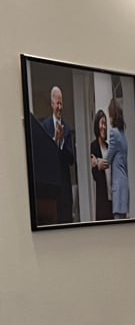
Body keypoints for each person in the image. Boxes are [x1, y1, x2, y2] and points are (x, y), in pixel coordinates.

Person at [39, 85, 76, 223]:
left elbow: (71, 159)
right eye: (57, 103)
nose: (59, 107)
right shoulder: (45, 126)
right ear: (52, 104)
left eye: (61, 103)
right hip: (50, 188)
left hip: (65, 187)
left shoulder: (68, 129)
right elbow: (44, 157)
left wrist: (62, 142)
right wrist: (55, 139)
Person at [105, 96, 129, 220]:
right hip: (124, 185)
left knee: (118, 223)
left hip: (118, 187)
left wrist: (97, 161)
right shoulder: (123, 134)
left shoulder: (113, 133)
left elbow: (107, 160)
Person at [87, 108, 112, 220]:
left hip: (112, 195)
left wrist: (99, 162)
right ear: (97, 125)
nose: (104, 127)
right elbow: (94, 176)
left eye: (105, 124)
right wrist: (98, 166)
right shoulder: (94, 146)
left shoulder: (108, 146)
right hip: (102, 197)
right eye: (102, 123)